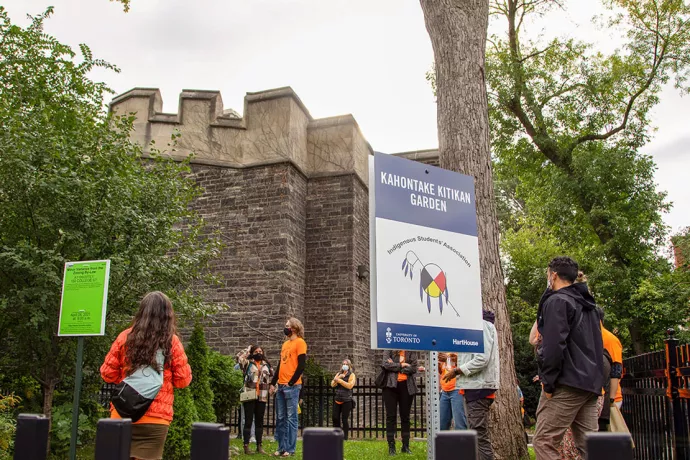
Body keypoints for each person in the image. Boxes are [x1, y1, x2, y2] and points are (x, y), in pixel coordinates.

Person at [100, 291, 192, 460]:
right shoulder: (172, 342)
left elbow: (108, 374)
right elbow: (183, 380)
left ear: (141, 312)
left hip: (122, 413)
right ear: (168, 315)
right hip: (155, 418)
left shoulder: (124, 337)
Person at [532, 257, 604, 460]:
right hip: (590, 385)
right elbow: (597, 346)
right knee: (590, 447)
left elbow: (554, 346)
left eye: (548, 274)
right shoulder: (589, 306)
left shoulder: (557, 301)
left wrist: (548, 383)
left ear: (553, 275)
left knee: (544, 441)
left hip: (566, 382)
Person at [444, 309, 499, 460]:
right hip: (473, 387)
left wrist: (456, 371)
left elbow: (482, 359)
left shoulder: (482, 325)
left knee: (479, 434)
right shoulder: (477, 327)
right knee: (476, 433)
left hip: (479, 388)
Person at [270, 317, 307, 457]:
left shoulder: (300, 343)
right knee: (280, 418)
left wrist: (291, 382)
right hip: (280, 385)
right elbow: (280, 364)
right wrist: (273, 382)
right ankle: (281, 447)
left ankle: (290, 449)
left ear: (294, 328)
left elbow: (301, 365)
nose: (285, 328)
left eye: (287, 326)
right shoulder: (285, 344)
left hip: (292, 386)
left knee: (291, 418)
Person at [381, 349, 418, 455]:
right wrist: (403, 365)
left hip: (407, 386)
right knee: (390, 417)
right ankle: (391, 447)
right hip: (390, 387)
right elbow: (385, 364)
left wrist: (395, 366)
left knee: (405, 417)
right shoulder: (389, 350)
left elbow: (414, 368)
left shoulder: (411, 351)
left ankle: (405, 446)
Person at [237, 344, 273, 455]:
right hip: (249, 395)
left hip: (261, 396)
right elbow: (239, 357)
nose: (259, 353)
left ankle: (259, 446)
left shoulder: (266, 364)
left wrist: (272, 387)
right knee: (248, 421)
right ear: (253, 353)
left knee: (259, 422)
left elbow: (271, 376)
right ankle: (246, 446)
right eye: (256, 351)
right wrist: (248, 349)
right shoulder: (247, 363)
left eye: (260, 351)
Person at [437, 352, 467, 431]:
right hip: (444, 390)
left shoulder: (459, 350)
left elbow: (465, 366)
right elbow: (442, 371)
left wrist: (449, 359)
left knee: (459, 423)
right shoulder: (443, 352)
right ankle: (443, 443)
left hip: (457, 389)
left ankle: (462, 442)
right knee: (441, 424)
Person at [331, 358, 356, 440]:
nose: (344, 366)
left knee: (344, 419)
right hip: (338, 399)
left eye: (346, 364)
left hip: (347, 400)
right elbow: (332, 384)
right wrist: (338, 378)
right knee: (335, 418)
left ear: (349, 366)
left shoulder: (352, 375)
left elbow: (350, 386)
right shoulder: (339, 373)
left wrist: (340, 380)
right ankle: (336, 435)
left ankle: (345, 437)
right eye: (343, 364)